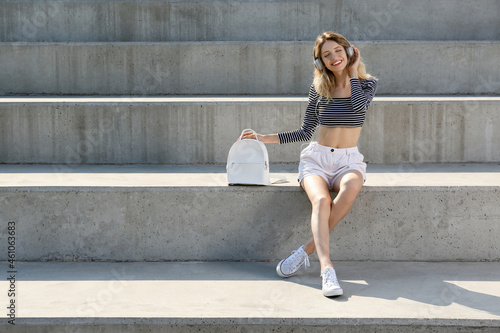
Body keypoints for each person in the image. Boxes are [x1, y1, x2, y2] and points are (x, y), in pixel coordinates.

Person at [241, 31, 378, 297]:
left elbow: (359, 108)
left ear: (348, 52)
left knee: (350, 188)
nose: (333, 57)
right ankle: (327, 269)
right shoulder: (319, 88)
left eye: (338, 51)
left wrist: (351, 71)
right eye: (326, 55)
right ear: (320, 62)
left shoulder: (366, 84)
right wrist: (262, 138)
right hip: (317, 159)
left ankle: (304, 251)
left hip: (348, 160)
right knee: (322, 201)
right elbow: (305, 132)